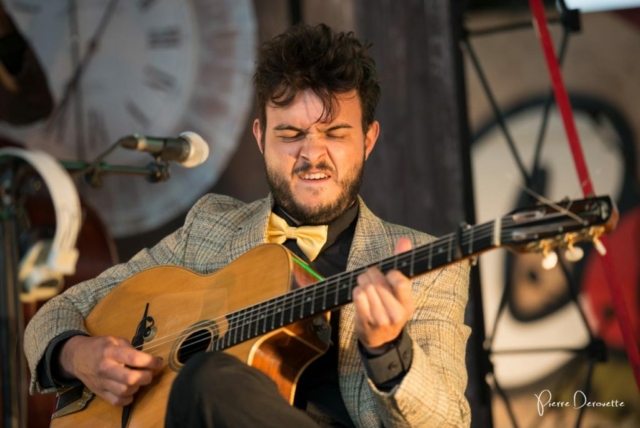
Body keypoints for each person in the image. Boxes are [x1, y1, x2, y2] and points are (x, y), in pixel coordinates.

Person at [23, 24, 471, 427]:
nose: (313, 155)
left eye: (335, 133)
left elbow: (448, 420)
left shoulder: (431, 271)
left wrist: (388, 349)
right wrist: (77, 354)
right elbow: (59, 311)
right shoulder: (210, 227)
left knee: (209, 379)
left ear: (368, 140)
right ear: (260, 137)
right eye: (291, 135)